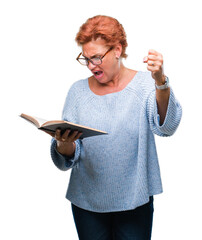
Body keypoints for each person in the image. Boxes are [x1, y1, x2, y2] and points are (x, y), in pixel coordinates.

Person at [50, 15, 182, 240]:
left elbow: (166, 127)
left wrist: (161, 82)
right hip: (86, 203)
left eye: (97, 58)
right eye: (86, 58)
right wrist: (64, 144)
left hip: (135, 200)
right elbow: (67, 158)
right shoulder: (77, 92)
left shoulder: (144, 86)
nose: (91, 66)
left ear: (118, 49)